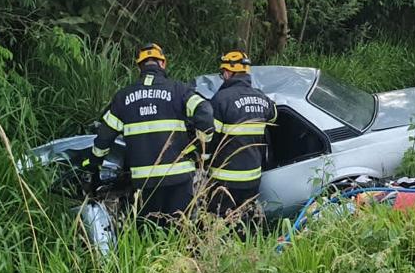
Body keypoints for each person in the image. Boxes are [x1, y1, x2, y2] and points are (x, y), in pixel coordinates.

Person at [86, 43, 214, 226]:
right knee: (180, 232)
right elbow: (205, 113)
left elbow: (103, 138)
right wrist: (201, 150)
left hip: (144, 183)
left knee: (150, 234)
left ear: (139, 67)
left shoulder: (123, 98)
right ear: (162, 64)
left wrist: (94, 166)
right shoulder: (179, 90)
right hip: (178, 179)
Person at [207, 50, 277, 225]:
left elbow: (210, 137)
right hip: (252, 178)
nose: (223, 77)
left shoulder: (220, 100)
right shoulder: (261, 97)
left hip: (225, 179)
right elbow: (274, 115)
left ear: (229, 73)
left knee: (220, 223)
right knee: (245, 221)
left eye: (223, 73)